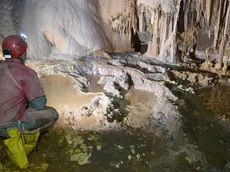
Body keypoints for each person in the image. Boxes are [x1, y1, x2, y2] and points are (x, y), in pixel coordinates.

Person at [0, 34, 59, 137]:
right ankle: (23, 134)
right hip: (8, 128)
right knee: (52, 114)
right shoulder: (26, 73)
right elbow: (39, 104)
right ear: (23, 54)